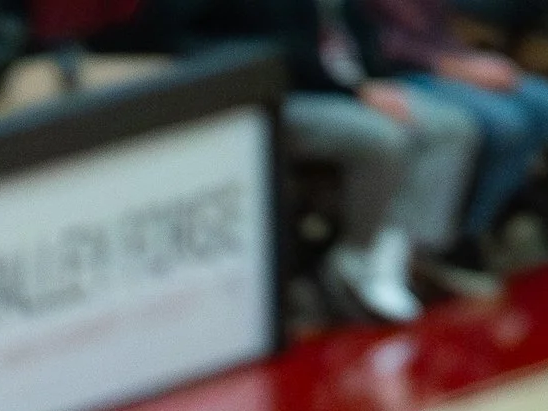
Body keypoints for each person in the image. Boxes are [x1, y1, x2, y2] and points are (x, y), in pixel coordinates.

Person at [195, 0, 481, 321]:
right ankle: (355, 256)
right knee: (383, 139)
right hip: (292, 95)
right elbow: (282, 55)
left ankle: (398, 254)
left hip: (352, 87)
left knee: (452, 129)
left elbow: (362, 34)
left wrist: (375, 79)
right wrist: (357, 91)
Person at [357, 0, 548, 248]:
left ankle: (481, 219)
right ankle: (449, 240)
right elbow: (374, 41)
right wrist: (453, 66)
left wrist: (473, 59)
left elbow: (445, 26)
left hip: (455, 55)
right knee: (505, 124)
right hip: (401, 71)